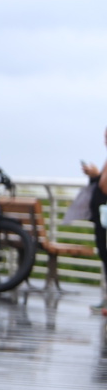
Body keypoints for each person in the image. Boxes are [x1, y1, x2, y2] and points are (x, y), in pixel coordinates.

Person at [81, 127, 107, 309]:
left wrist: (97, 176)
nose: (105, 140)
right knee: (104, 254)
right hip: (101, 217)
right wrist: (95, 176)